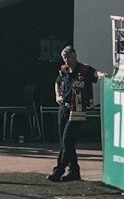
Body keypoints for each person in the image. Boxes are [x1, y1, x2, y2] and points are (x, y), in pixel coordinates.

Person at [49, 45, 102, 182]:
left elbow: (95, 73)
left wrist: (101, 75)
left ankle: (59, 170)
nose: (67, 60)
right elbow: (57, 82)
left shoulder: (84, 69)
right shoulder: (64, 70)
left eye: (69, 57)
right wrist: (57, 95)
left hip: (77, 109)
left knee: (67, 139)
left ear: (75, 56)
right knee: (66, 141)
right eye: (65, 57)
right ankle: (74, 171)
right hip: (63, 108)